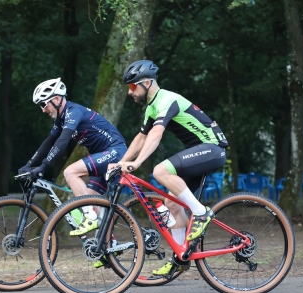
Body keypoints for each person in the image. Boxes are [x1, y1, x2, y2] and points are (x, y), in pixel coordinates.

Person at [111, 59, 228, 276]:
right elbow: (141, 137)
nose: (130, 92)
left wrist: (136, 163)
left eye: (132, 86)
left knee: (160, 170)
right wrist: (121, 164)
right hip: (200, 151)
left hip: (212, 149)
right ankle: (181, 258)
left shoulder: (167, 99)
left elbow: (156, 134)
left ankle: (201, 213)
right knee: (171, 205)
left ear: (146, 82)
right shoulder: (152, 107)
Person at [18, 77, 127, 235]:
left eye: (43, 104)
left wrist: (43, 166)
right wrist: (29, 164)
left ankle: (89, 218)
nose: (42, 109)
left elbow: (63, 141)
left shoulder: (72, 111)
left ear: (56, 99)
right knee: (92, 201)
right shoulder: (61, 119)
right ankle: (109, 250)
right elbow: (49, 142)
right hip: (104, 155)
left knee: (71, 172)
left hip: (115, 152)